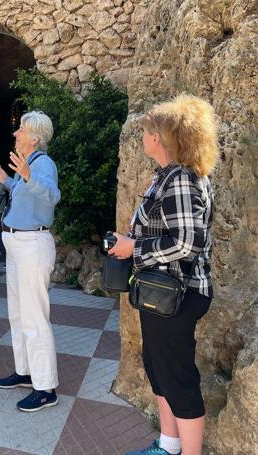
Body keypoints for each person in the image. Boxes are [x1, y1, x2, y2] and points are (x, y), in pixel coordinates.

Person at [108, 95, 219, 455]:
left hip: (180, 293)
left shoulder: (182, 180)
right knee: (160, 369)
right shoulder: (167, 177)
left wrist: (133, 249)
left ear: (162, 137)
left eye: (148, 130)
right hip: (162, 292)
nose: (143, 136)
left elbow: (187, 243)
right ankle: (169, 445)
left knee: (178, 376)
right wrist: (130, 238)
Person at [0, 111, 61, 412]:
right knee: (18, 315)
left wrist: (27, 178)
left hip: (32, 245)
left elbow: (51, 197)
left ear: (35, 137)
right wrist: (9, 181)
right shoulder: (25, 166)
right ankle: (26, 371)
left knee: (34, 317)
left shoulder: (42, 164)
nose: (15, 133)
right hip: (18, 246)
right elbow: (24, 197)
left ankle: (45, 388)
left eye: (21, 129)